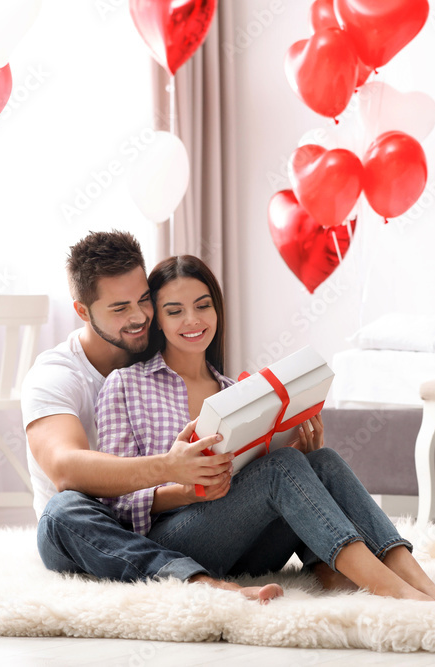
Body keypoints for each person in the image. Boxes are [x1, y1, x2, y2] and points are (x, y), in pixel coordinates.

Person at [96, 255, 435, 601]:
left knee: (322, 460)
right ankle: (391, 589)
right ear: (156, 319)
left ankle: (421, 584)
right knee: (282, 469)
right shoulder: (125, 385)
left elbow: (255, 478)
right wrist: (184, 490)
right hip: (173, 547)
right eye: (174, 311)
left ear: (217, 310)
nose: (192, 320)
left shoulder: (233, 392)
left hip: (245, 549)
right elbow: (114, 501)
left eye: (203, 306)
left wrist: (302, 454)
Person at [22, 231, 281, 603]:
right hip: (89, 533)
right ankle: (197, 584)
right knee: (64, 509)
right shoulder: (56, 375)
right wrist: (170, 468)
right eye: (119, 308)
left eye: (144, 299)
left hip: (159, 525)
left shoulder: (158, 361)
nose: (140, 316)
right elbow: (65, 468)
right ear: (82, 311)